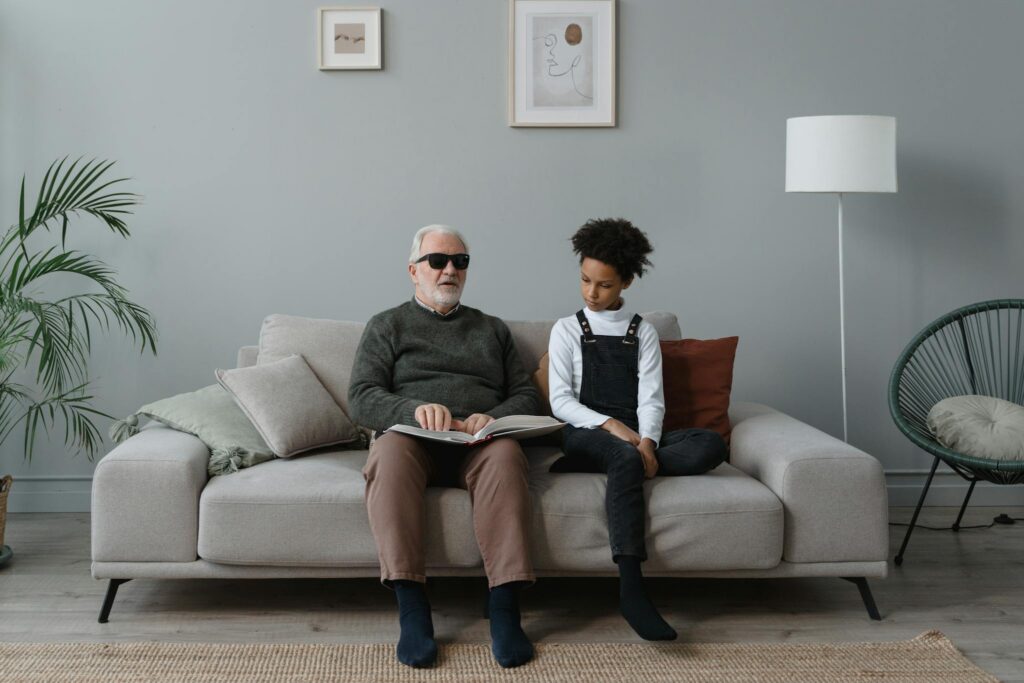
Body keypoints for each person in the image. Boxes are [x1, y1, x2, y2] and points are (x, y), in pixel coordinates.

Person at [348, 224, 541, 669]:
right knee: (389, 455)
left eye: (460, 262)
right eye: (438, 261)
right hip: (414, 440)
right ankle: (413, 612)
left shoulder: (492, 329)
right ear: (414, 270)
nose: (449, 270)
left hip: (479, 440)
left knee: (508, 455)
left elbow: (527, 395)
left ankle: (505, 610)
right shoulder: (387, 325)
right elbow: (361, 396)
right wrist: (414, 410)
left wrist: (492, 416)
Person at [546, 218, 727, 641]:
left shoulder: (642, 332)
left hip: (633, 438)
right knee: (624, 455)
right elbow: (561, 403)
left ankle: (610, 467)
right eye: (585, 280)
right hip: (584, 430)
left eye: (604, 285)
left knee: (711, 444)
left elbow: (651, 398)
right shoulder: (568, 329)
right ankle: (632, 589)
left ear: (626, 282)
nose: (592, 293)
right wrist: (617, 431)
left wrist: (648, 441)